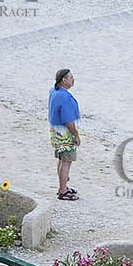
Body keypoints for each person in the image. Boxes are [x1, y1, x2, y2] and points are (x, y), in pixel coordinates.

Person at [49, 67, 80, 201]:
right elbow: (68, 120)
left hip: (55, 131)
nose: (73, 79)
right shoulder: (64, 96)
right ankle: (63, 190)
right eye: (71, 77)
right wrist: (76, 135)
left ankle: (63, 186)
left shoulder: (54, 91)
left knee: (61, 159)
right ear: (64, 80)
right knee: (67, 160)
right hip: (64, 132)